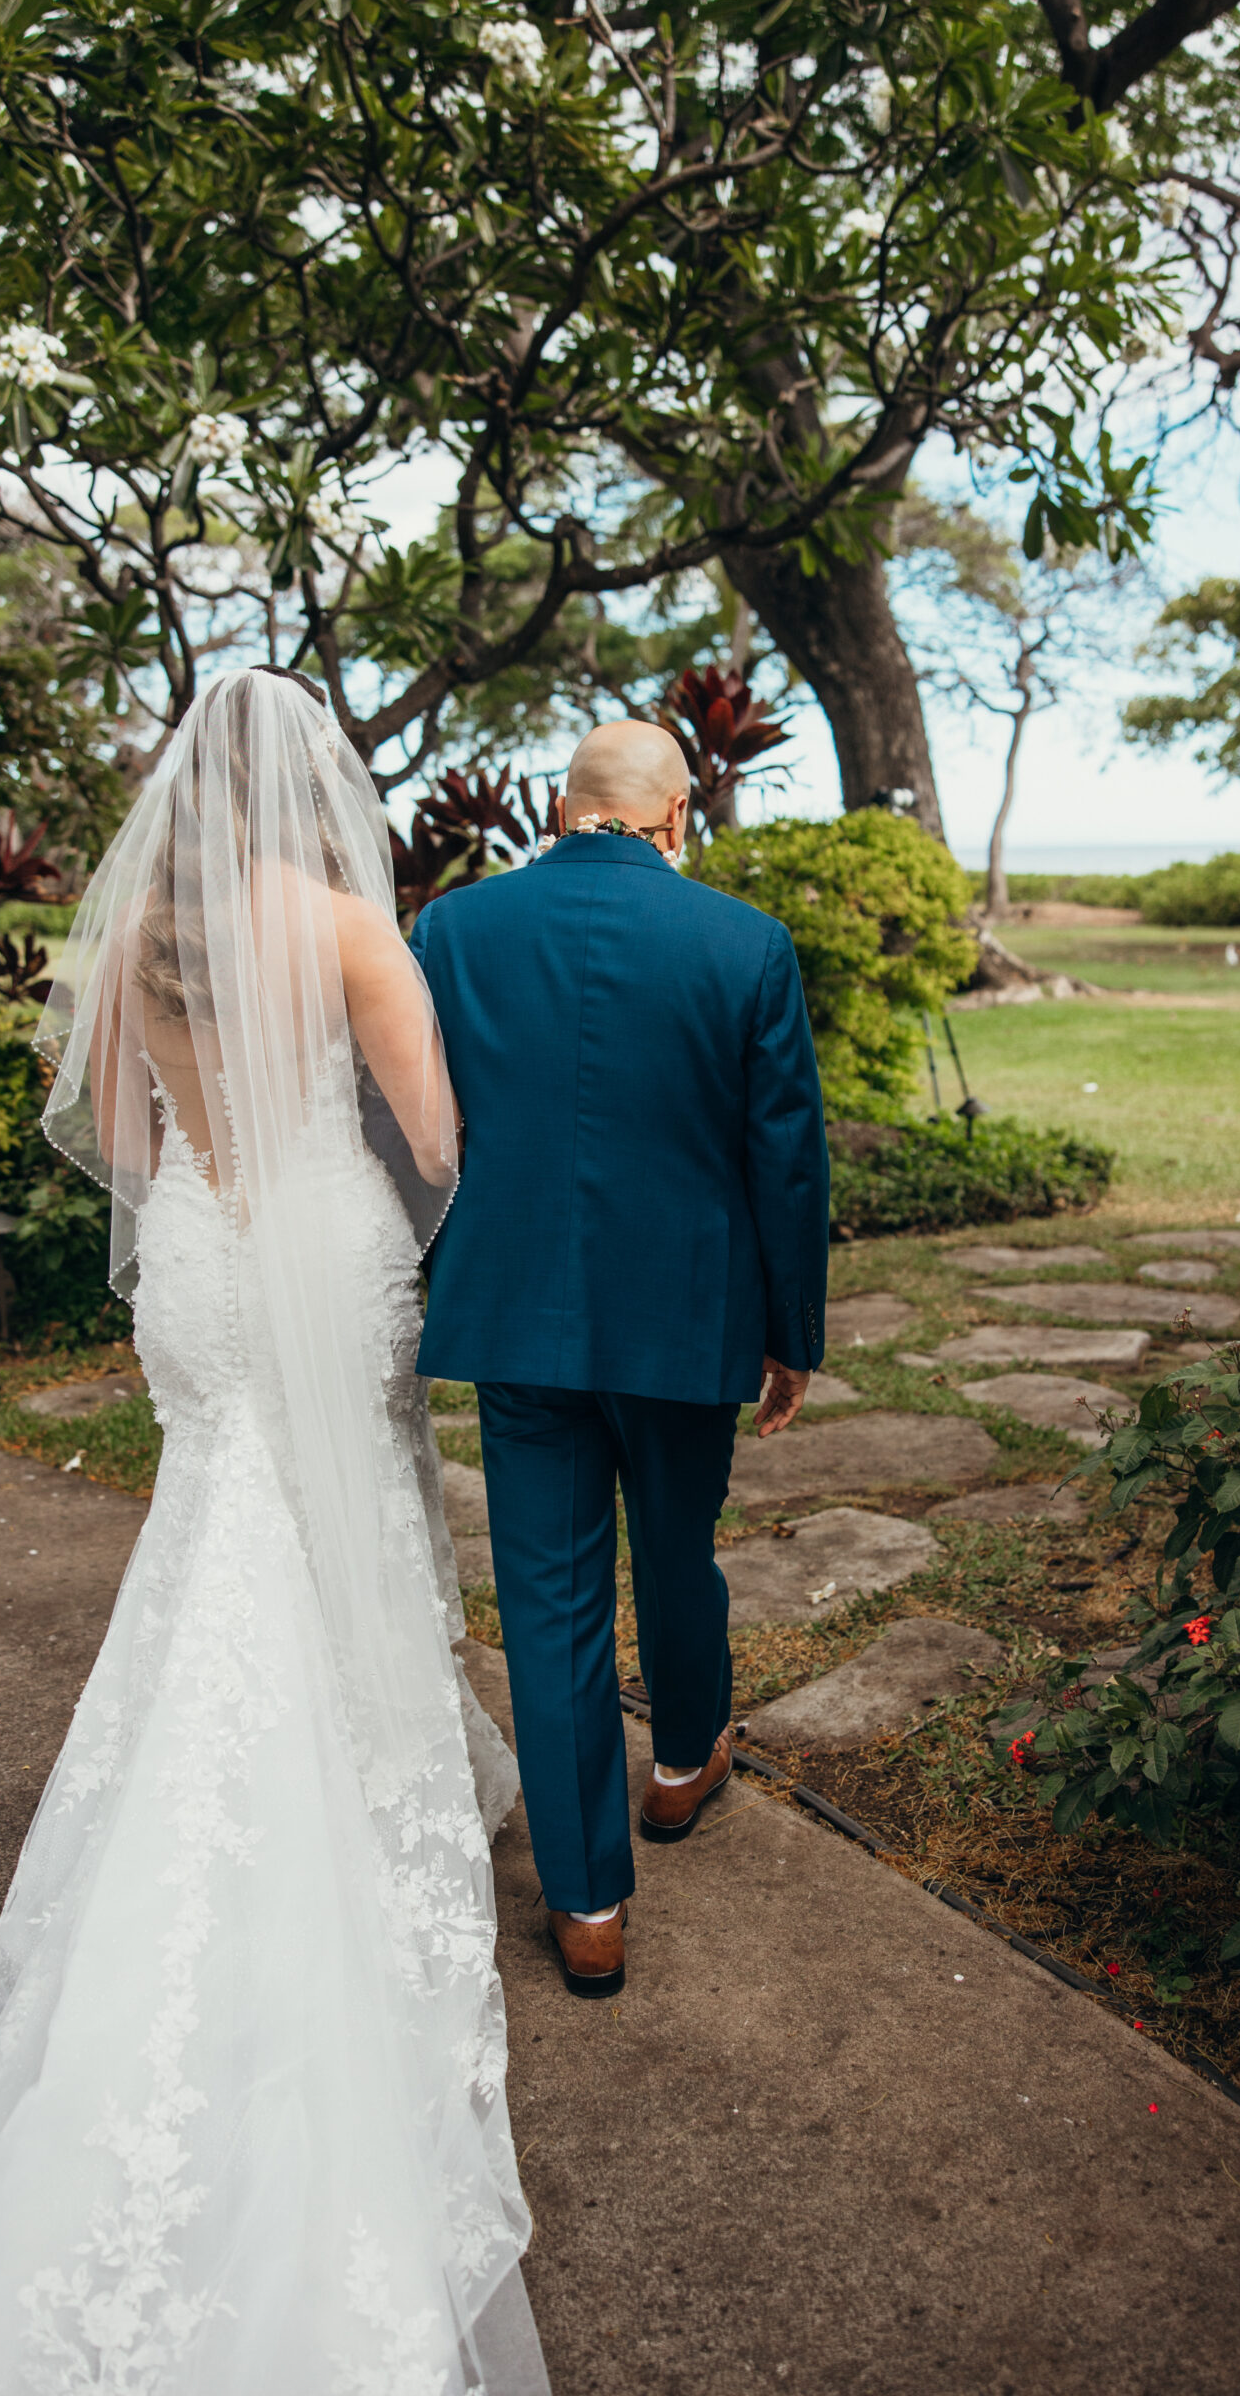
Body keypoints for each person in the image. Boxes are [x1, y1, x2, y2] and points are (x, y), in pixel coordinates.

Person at [0, 670, 549, 2396]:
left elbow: (127, 1147)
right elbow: (435, 1140)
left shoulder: (139, 931)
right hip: (324, 1251)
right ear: (311, 791)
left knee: (214, 1534)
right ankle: (352, 1791)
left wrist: (230, 1174)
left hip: (200, 1268)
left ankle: (199, 1812)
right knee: (341, 1510)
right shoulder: (354, 929)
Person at [409, 720, 829, 2000]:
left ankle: (587, 1902)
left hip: (520, 1309)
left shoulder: (454, 933)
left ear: (559, 806)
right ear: (676, 816)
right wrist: (789, 1331)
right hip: (684, 1316)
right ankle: (685, 1759)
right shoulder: (742, 943)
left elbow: (422, 1132)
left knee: (548, 1601)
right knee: (678, 1548)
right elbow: (786, 1156)